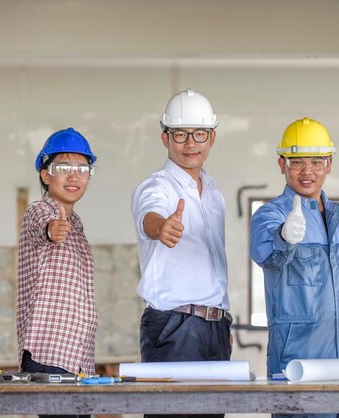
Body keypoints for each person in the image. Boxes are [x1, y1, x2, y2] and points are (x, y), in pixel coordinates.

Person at [250, 117, 339, 418]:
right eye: (298, 162)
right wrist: (284, 238)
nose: (307, 171)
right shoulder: (270, 215)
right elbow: (265, 254)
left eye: (316, 161)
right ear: (282, 164)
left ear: (329, 163)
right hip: (301, 365)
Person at [131, 89, 232, 418]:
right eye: (180, 134)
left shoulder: (214, 194)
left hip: (215, 328)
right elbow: (150, 214)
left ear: (212, 137)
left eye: (199, 133)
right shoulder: (157, 186)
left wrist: (221, 324)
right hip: (174, 328)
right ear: (165, 138)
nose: (191, 143)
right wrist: (161, 227)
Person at [16, 128, 98, 403]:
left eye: (83, 168)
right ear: (45, 174)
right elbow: (44, 227)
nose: (74, 176)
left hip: (77, 359)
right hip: (48, 357)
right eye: (63, 167)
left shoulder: (77, 225)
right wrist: (53, 229)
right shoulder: (38, 211)